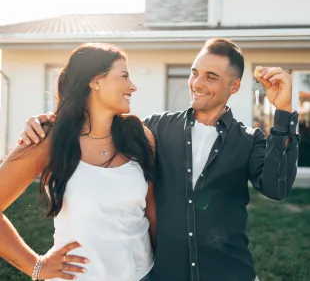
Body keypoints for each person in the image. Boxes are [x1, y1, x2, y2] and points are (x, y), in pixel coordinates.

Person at [19, 38, 300, 281]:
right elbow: (98, 120)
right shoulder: (153, 130)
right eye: (194, 73)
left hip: (228, 273)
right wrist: (50, 121)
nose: (197, 83)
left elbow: (277, 187)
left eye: (211, 77)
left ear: (235, 86)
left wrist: (284, 112)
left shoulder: (250, 141)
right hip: (165, 274)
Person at [0, 43, 156, 281]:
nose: (132, 86)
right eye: (124, 76)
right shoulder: (47, 140)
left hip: (143, 275)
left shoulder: (140, 137)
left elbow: (151, 212)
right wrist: (36, 266)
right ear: (95, 81)